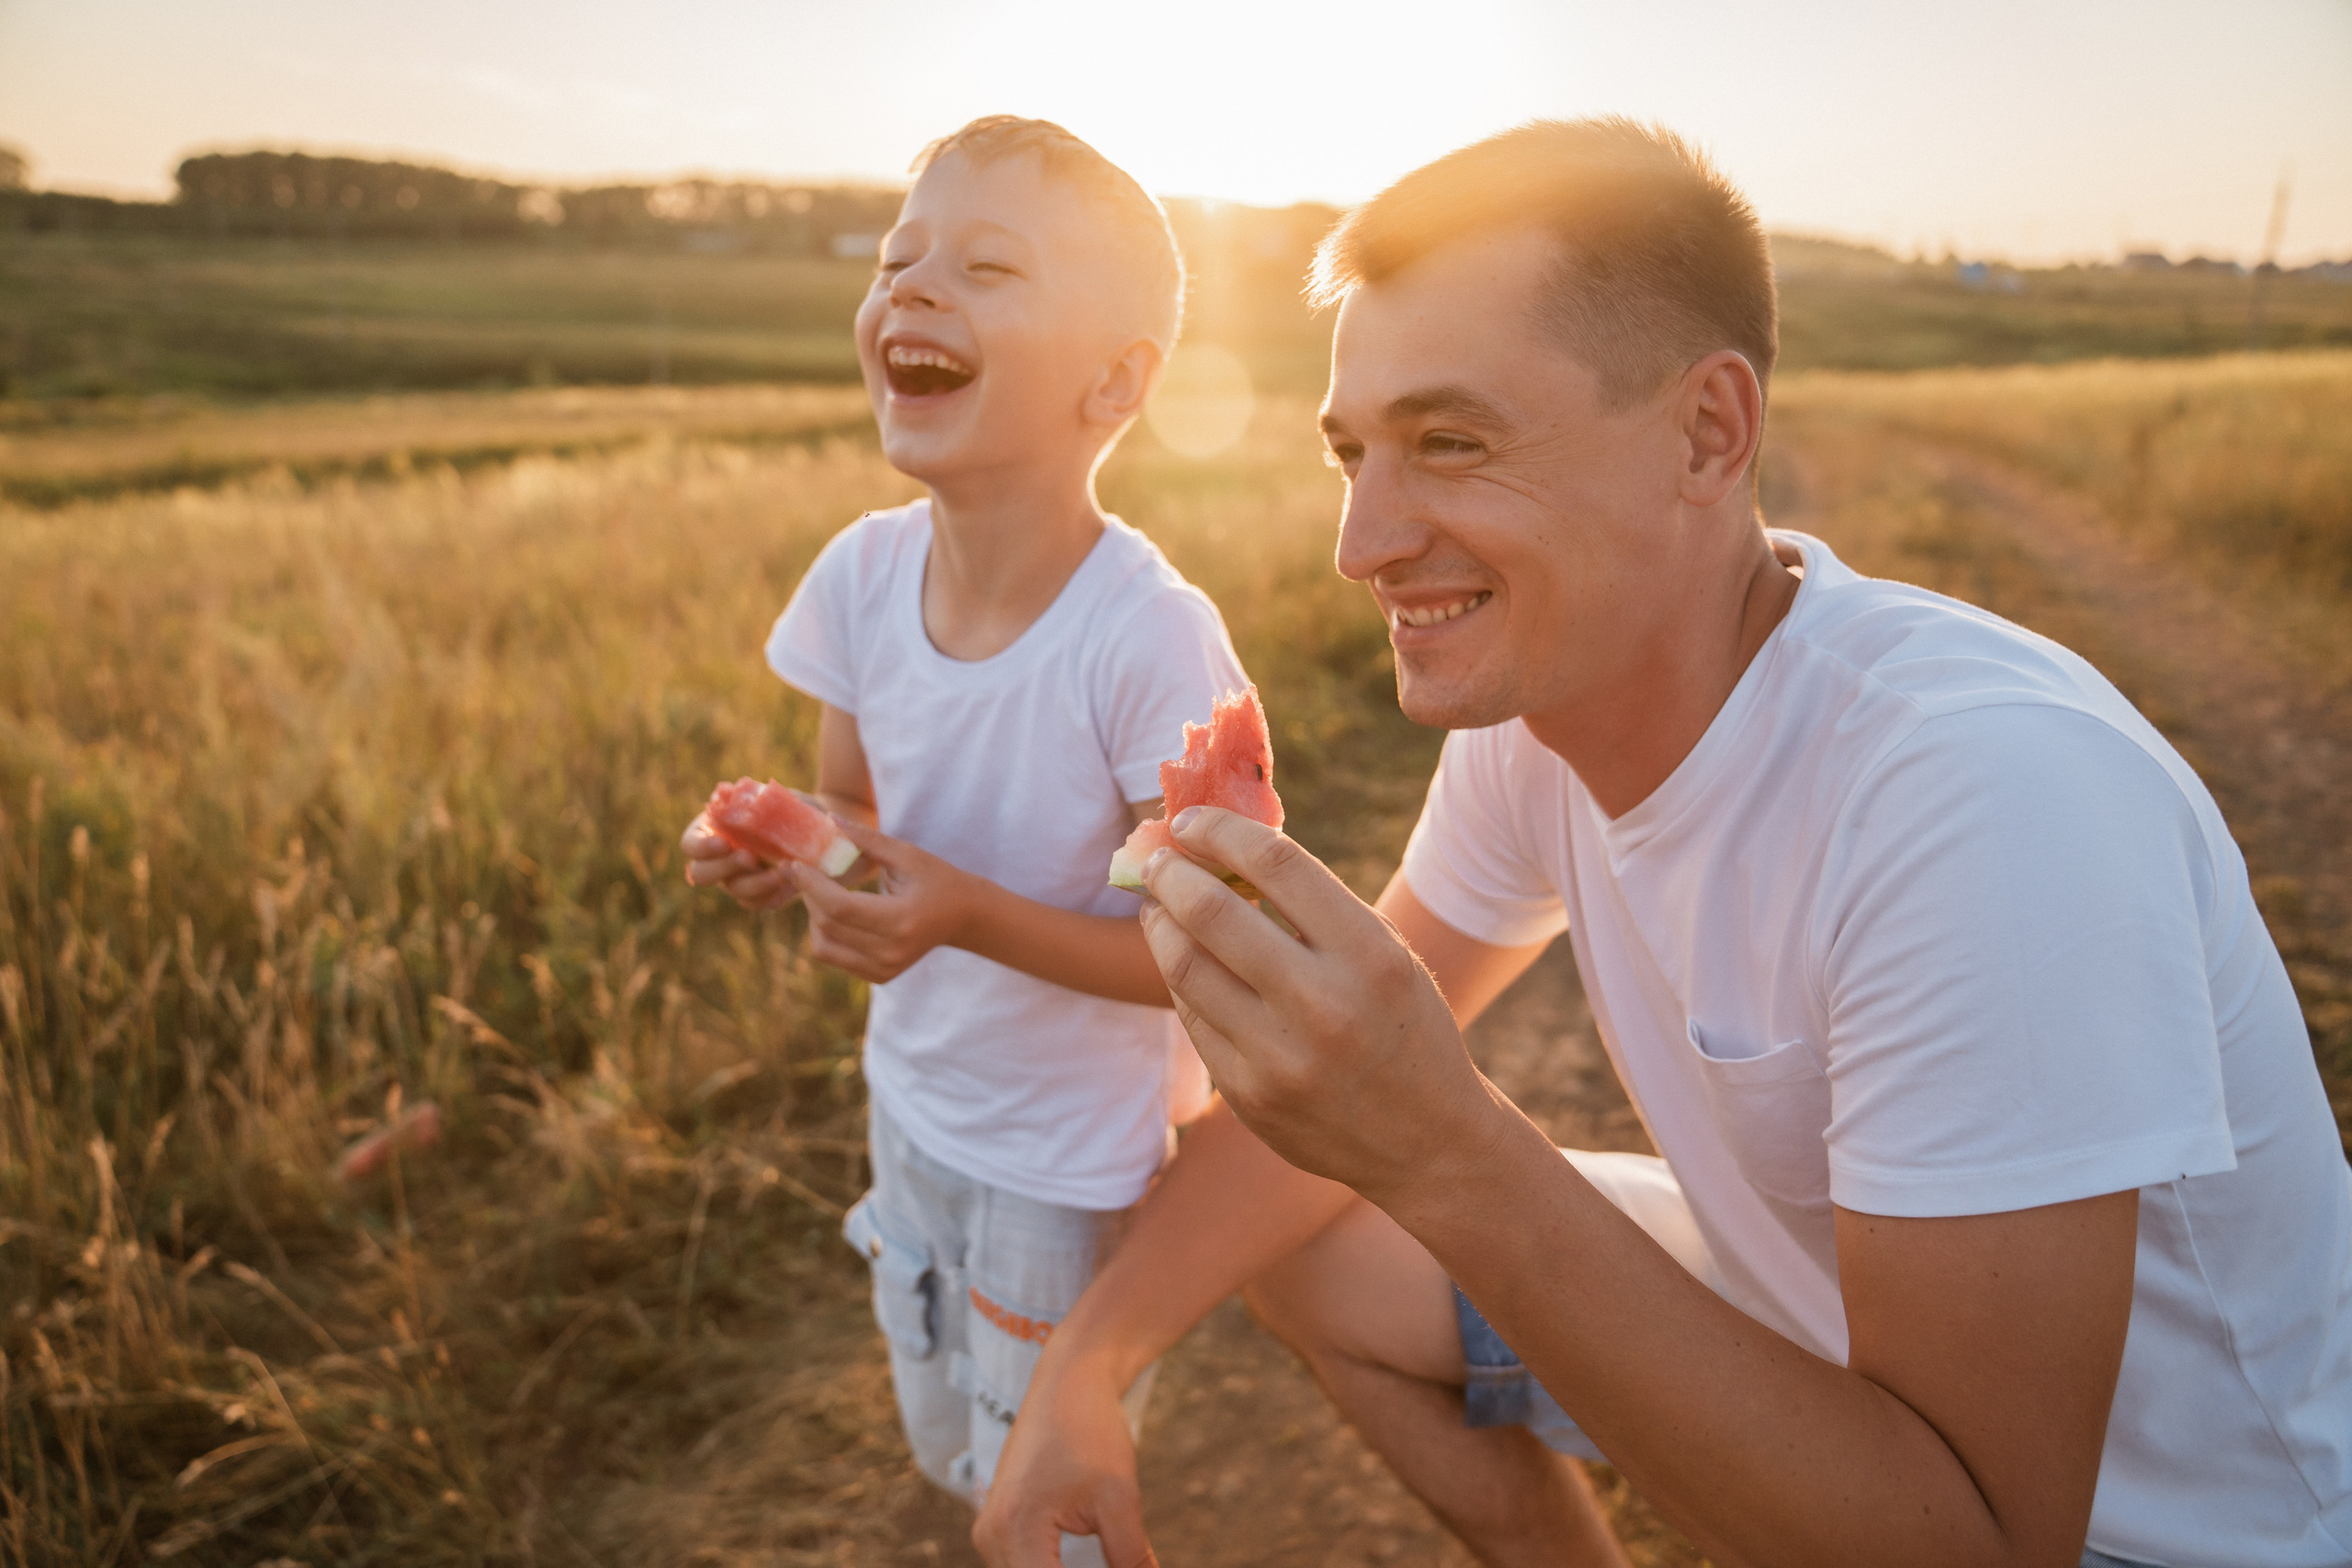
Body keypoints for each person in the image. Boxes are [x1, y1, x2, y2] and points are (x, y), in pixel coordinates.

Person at [976, 118, 2352, 1568]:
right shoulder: (1536, 711)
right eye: (1352, 454)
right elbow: (1325, 1113)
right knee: (1305, 1236)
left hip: (2169, 1533)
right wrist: (1087, 1369)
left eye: (1453, 442)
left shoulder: (1986, 801)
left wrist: (1449, 1152)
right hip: (1823, 1313)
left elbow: (1987, 1544)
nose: (1363, 541)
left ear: (1709, 432)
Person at [680, 117, 1247, 1563]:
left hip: (1067, 1166)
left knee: (1039, 1504)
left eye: (986, 267)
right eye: (897, 259)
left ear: (1115, 381)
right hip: (913, 1110)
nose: (914, 291)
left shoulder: (1150, 643)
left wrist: (962, 914)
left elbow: (1208, 963)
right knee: (950, 1446)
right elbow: (859, 828)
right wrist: (790, 856)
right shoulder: (860, 582)